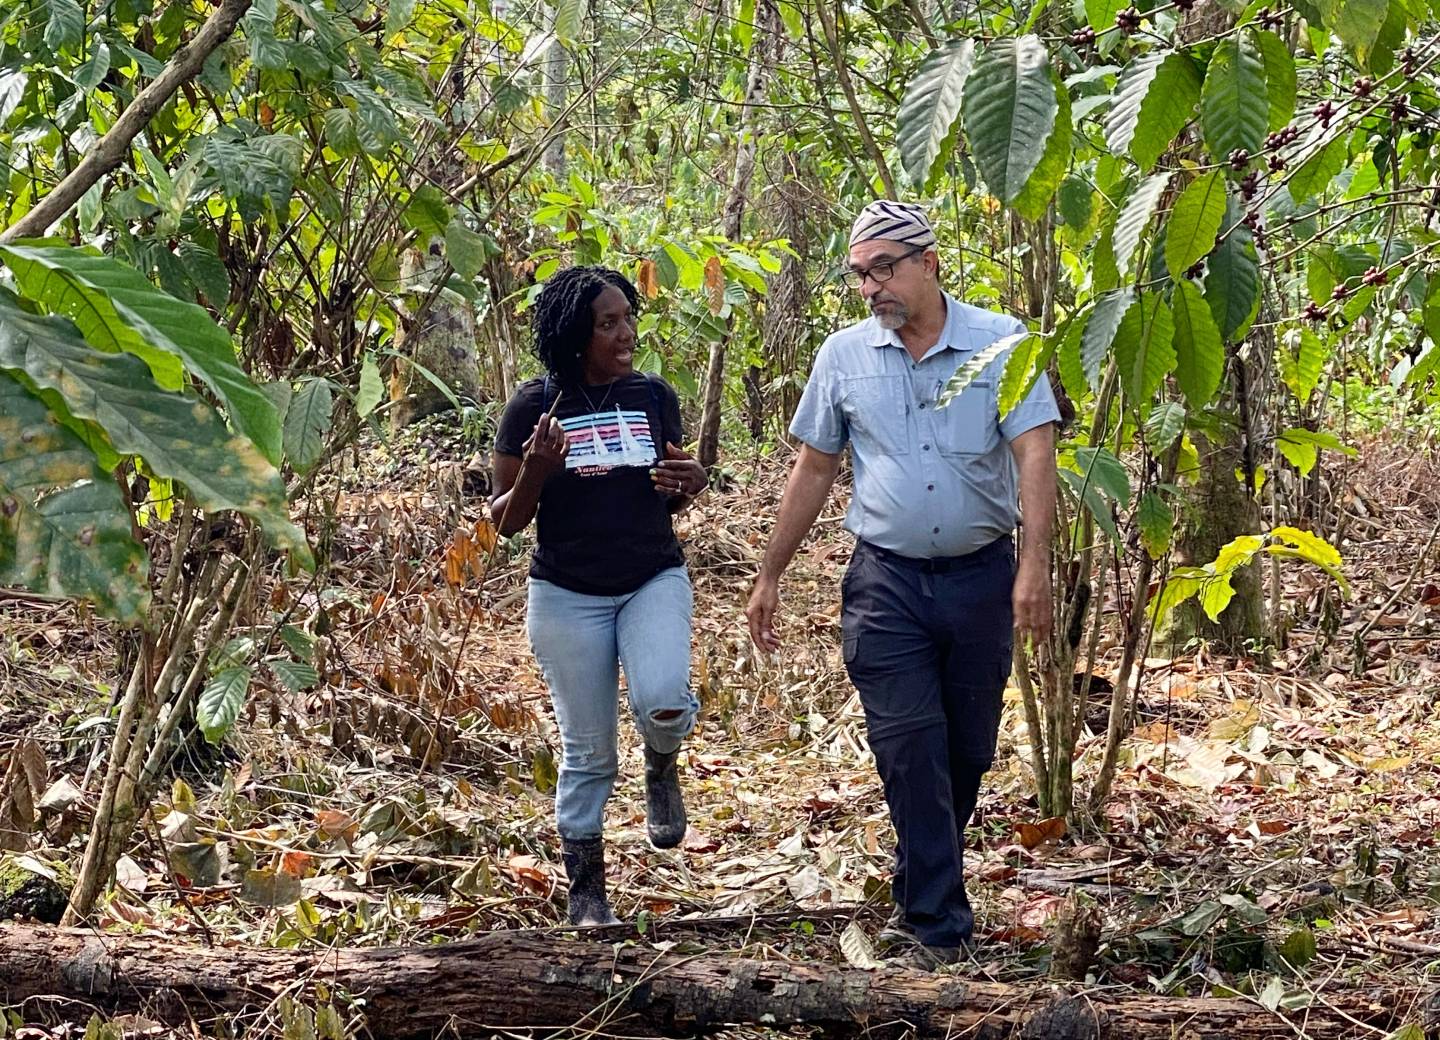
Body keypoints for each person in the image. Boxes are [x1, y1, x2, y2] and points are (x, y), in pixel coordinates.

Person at [744, 201, 1060, 967]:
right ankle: (939, 931)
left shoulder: (1001, 343)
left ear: (930, 264)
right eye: (859, 274)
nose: (870, 287)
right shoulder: (843, 355)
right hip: (884, 582)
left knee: (965, 754)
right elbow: (816, 465)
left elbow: (1035, 450)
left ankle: (919, 881)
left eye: (884, 268)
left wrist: (1035, 564)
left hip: (980, 578)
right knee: (909, 748)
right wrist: (770, 572)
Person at [490, 265, 708, 925]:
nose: (625, 334)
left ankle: (662, 770)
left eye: (626, 318)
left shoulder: (652, 395)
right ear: (574, 336)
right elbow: (503, 521)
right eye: (607, 324)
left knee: (665, 700)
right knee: (589, 750)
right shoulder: (535, 407)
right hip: (566, 594)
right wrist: (536, 469)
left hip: (650, 576)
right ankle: (588, 893)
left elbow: (673, 485)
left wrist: (691, 480)